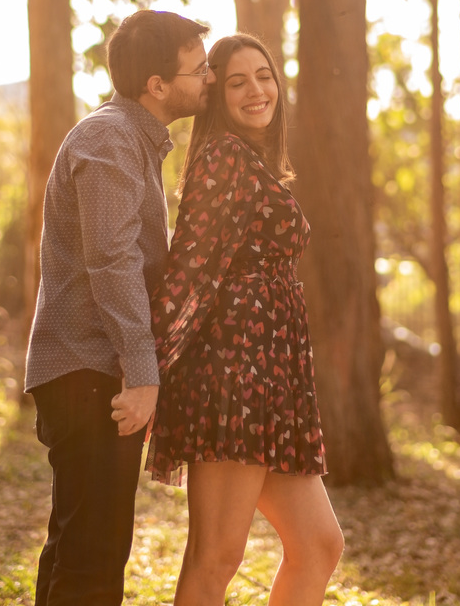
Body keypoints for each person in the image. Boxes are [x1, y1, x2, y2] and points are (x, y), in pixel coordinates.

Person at [24, 10, 213, 606]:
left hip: (92, 370)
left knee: (77, 547)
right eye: (199, 68)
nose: (208, 78)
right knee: (93, 559)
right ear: (157, 85)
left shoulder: (133, 140)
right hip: (90, 373)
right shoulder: (109, 139)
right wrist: (142, 373)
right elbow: (112, 261)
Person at [147, 34, 345, 605]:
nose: (257, 90)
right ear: (214, 95)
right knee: (217, 556)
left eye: (264, 75)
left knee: (317, 545)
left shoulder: (251, 161)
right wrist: (145, 369)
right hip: (231, 376)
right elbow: (187, 271)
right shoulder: (223, 159)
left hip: (272, 382)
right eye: (237, 81)